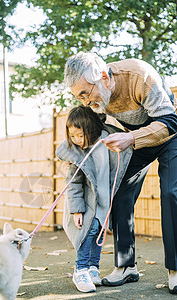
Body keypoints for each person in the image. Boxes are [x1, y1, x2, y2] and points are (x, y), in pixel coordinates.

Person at [64, 52, 177, 294]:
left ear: (104, 77)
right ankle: (126, 266)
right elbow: (85, 133)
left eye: (86, 94)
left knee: (171, 192)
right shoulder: (96, 101)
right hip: (136, 141)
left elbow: (170, 121)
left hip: (170, 134)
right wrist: (72, 157)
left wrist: (131, 137)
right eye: (78, 97)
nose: (84, 102)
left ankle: (175, 270)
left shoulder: (139, 75)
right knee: (119, 193)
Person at [56, 105, 133, 293]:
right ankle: (80, 269)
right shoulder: (78, 153)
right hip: (87, 202)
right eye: (72, 136)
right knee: (88, 233)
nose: (76, 140)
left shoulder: (106, 142)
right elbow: (73, 184)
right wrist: (77, 210)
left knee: (99, 235)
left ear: (90, 128)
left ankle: (93, 268)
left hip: (105, 200)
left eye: (79, 135)